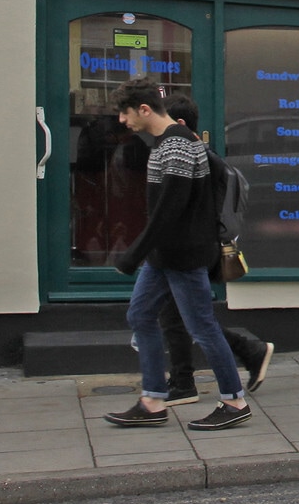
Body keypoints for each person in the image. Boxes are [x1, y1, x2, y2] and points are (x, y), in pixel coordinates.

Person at [102, 81, 252, 431]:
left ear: (143, 109)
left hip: (183, 256)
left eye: (125, 113)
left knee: (202, 327)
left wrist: (131, 254)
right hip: (163, 256)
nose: (122, 121)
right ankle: (153, 401)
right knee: (140, 315)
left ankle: (234, 400)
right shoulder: (165, 145)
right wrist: (145, 253)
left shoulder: (178, 147)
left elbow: (170, 211)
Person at [157, 95, 273, 403]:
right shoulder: (199, 156)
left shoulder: (199, 160)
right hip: (191, 249)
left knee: (192, 318)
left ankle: (232, 370)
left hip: (194, 251)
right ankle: (185, 381)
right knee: (178, 315)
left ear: (180, 125)